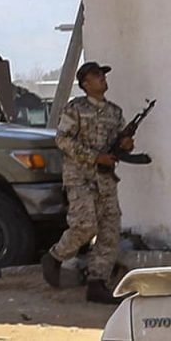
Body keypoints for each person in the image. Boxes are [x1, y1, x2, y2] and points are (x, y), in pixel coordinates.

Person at [41, 61, 132, 303]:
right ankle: (55, 256)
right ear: (85, 84)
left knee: (109, 231)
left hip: (106, 179)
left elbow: (120, 142)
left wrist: (126, 145)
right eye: (96, 75)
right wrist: (94, 157)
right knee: (85, 225)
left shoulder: (114, 112)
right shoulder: (75, 109)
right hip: (79, 178)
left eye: (103, 75)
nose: (102, 78)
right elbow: (62, 140)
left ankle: (97, 283)